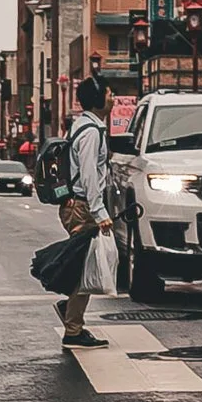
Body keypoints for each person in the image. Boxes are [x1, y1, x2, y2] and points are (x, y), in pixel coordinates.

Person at [54, 74, 112, 348]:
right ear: (100, 99)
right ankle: (73, 330)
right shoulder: (90, 132)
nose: (112, 99)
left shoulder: (83, 125)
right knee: (84, 268)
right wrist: (99, 213)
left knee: (83, 264)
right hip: (82, 207)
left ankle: (70, 312)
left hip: (75, 205)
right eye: (110, 94)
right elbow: (89, 174)